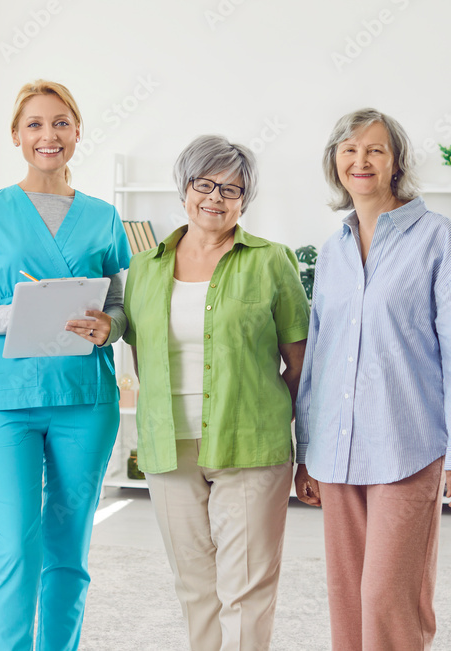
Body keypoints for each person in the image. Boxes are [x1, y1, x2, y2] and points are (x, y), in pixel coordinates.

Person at [294, 108, 451, 651]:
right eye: (349, 150)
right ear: (335, 162)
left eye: (375, 150)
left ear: (396, 162)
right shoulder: (332, 249)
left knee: (390, 601)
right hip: (336, 452)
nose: (361, 161)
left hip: (409, 444)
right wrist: (305, 451)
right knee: (348, 601)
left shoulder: (438, 240)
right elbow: (320, 357)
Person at [0, 79, 132, 651]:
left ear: (77, 133)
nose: (47, 135)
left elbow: (121, 306)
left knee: (68, 546)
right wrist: (27, 314)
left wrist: (111, 327)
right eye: (34, 124)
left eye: (60, 123)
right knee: (15, 546)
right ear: (16, 135)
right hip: (6, 404)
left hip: (85, 399)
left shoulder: (105, 218)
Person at [124, 135, 310, 651]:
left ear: (245, 200)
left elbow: (300, 364)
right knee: (195, 587)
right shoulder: (146, 267)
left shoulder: (272, 261)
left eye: (232, 188)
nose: (216, 197)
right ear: (183, 188)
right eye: (204, 184)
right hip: (169, 448)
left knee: (246, 591)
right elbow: (143, 356)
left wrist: (284, 426)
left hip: (250, 444)